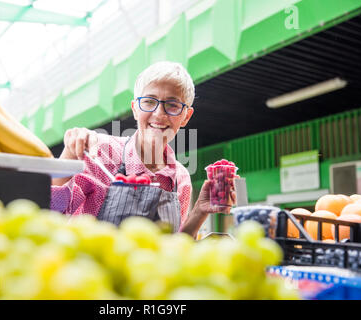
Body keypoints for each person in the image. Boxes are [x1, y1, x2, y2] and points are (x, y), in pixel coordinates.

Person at [51, 61, 235, 238]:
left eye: (172, 105)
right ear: (135, 109)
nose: (159, 114)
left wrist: (200, 211)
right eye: (149, 102)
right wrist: (68, 154)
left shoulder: (181, 178)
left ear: (186, 117)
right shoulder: (99, 152)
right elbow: (50, 211)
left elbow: (173, 248)